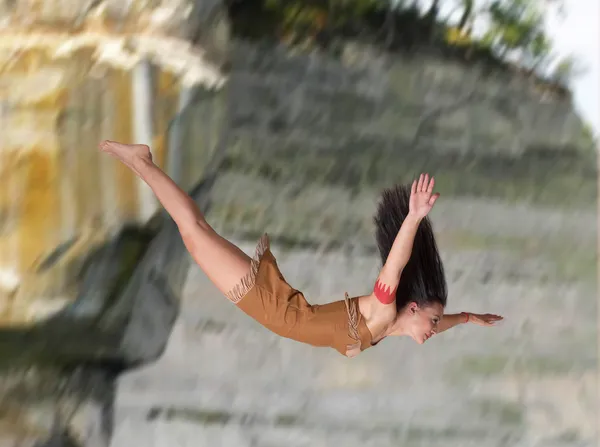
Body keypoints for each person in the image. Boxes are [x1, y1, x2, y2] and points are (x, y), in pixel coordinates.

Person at [99, 140, 503, 358]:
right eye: (434, 323)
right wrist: (413, 218)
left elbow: (434, 320)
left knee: (194, 234)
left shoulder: (392, 326)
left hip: (273, 309)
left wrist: (466, 318)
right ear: (412, 308)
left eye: (437, 324)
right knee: (193, 230)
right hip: (271, 305)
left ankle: (141, 164)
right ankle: (142, 161)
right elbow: (394, 269)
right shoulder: (382, 310)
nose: (436, 329)